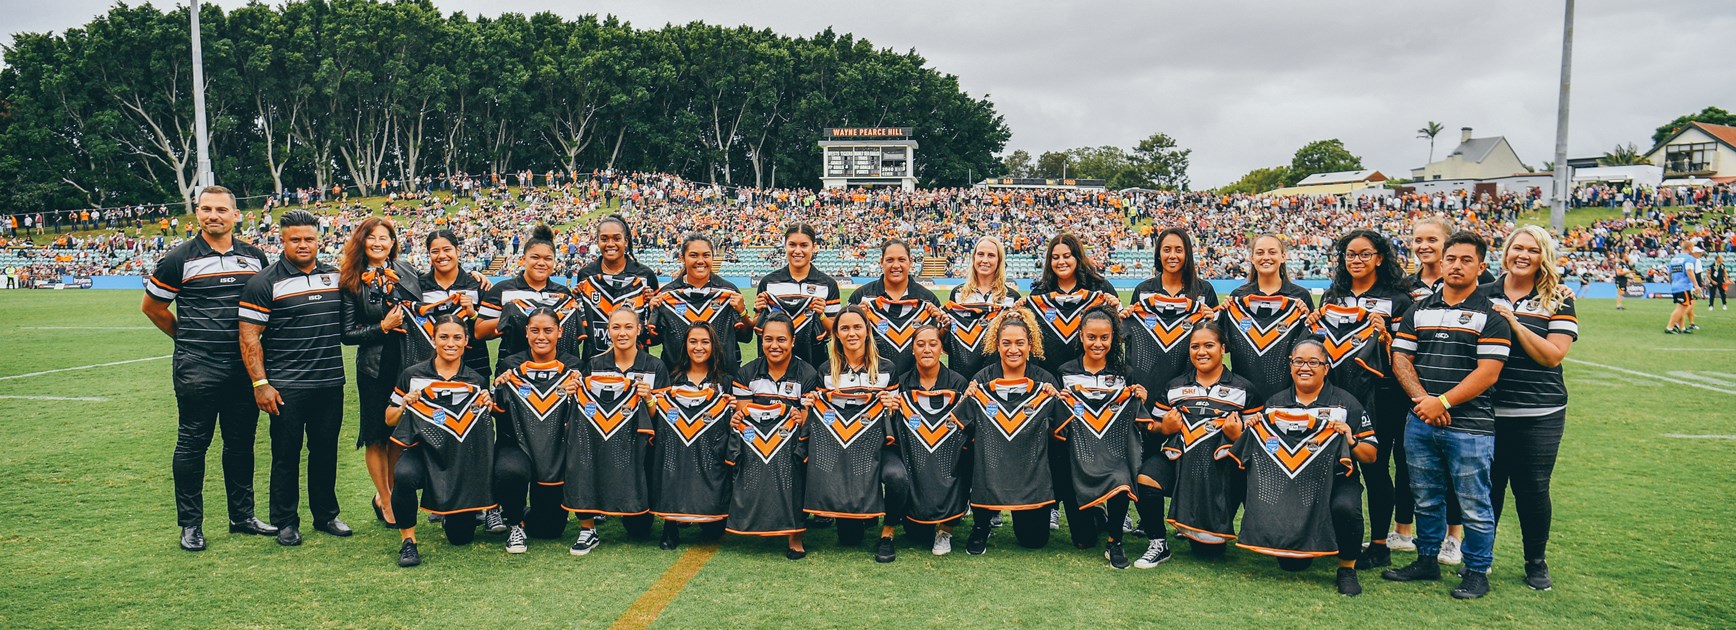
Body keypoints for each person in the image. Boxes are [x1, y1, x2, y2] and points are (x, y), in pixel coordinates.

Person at [140, 185, 275, 551]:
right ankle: (190, 525)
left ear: (236, 215)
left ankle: (242, 516)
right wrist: (187, 340)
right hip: (197, 367)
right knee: (192, 443)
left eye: (220, 209)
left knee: (241, 443)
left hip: (244, 368)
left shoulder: (255, 257)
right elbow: (153, 308)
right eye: (205, 209)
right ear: (196, 214)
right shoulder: (178, 258)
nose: (213, 215)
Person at [1383, 231, 1512, 600]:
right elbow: (1401, 358)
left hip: (1470, 426)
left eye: (1466, 260)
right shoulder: (1418, 309)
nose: (1457, 266)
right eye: (1451, 259)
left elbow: (1487, 373)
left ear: (1481, 266)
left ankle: (1475, 570)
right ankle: (1426, 559)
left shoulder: (1492, 314)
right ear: (1441, 263)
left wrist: (1444, 403)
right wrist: (1425, 400)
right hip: (1421, 419)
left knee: (1473, 501)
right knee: (1425, 496)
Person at [238, 210, 350, 546]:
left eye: (309, 239)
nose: (303, 245)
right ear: (281, 240)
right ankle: (285, 521)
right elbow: (249, 336)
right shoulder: (263, 282)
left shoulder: (335, 277)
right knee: (286, 455)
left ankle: (326, 514)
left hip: (330, 382)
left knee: (325, 451)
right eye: (295, 239)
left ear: (319, 240)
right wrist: (261, 384)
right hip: (287, 386)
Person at [1482, 225, 1579, 591]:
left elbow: (1552, 356)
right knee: (1487, 488)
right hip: (1487, 409)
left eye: (1532, 250)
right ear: (1505, 252)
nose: (1523, 255)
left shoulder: (1558, 298)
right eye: (1516, 248)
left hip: (1539, 411)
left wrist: (1513, 323)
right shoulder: (1483, 293)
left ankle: (1535, 562)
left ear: (1544, 257)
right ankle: (1481, 558)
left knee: (1533, 488)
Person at [1249, 339, 1379, 596]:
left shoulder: (1345, 403)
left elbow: (1371, 455)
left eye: (1313, 362)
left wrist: (1350, 440)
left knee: (1346, 508)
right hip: (1291, 483)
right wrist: (1253, 426)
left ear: (1326, 368)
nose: (1304, 367)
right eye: (1298, 361)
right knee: (1291, 565)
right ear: (1290, 366)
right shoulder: (1276, 403)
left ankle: (1346, 568)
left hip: (1338, 479)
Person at [1316, 228, 1414, 569]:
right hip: (1335, 392)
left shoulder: (1398, 299)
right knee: (1333, 463)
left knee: (1374, 466)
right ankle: (1332, 533)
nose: (1356, 260)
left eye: (1364, 254)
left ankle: (1379, 543)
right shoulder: (1333, 295)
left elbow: (1406, 352)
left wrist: (1386, 336)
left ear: (1380, 258)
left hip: (1381, 394)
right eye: (1350, 255)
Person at [1144, 322, 1264, 568]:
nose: (1201, 352)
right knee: (1147, 478)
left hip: (1221, 471)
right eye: (1195, 346)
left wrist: (1237, 435)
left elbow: (1260, 442)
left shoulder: (1244, 389)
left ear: (1223, 348)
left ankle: (1234, 527)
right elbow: (1152, 426)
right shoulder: (1175, 386)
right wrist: (1164, 428)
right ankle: (1158, 542)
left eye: (1209, 345)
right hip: (1180, 461)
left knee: (1208, 552)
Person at [384, 316, 495, 567]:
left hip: (458, 458)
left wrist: (487, 405)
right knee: (404, 474)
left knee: (460, 538)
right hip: (422, 452)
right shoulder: (412, 375)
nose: (450, 343)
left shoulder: (475, 381)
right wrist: (404, 404)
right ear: (433, 340)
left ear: (467, 341)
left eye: (457, 337)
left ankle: (450, 512)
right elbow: (389, 419)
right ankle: (408, 542)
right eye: (443, 337)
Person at [338, 217, 421, 529]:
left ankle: (392, 494)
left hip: (407, 363)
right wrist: (382, 327)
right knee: (375, 436)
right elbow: (347, 333)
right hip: (374, 366)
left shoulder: (407, 271)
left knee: (398, 435)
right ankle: (385, 499)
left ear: (392, 242)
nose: (378, 242)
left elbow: (430, 296)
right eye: (371, 237)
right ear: (362, 241)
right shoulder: (351, 280)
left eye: (384, 237)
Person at [566, 307, 667, 555]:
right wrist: (571, 394)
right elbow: (581, 414)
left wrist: (649, 400)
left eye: (628, 327)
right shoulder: (594, 364)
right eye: (616, 327)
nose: (622, 333)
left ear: (639, 330)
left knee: (639, 529)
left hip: (638, 447)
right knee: (581, 453)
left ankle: (622, 502)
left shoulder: (655, 366)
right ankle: (587, 528)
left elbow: (662, 420)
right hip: (599, 443)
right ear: (608, 331)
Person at [961, 309, 1063, 554]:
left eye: (1020, 343)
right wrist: (967, 397)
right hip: (992, 462)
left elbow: (1061, 428)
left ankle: (1036, 509)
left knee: (1034, 540)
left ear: (1031, 345)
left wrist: (1057, 399)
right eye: (1006, 343)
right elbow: (966, 426)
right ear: (997, 345)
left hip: (1030, 468)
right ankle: (981, 524)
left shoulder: (1044, 380)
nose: (1013, 349)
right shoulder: (983, 379)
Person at [1053, 308, 1148, 568]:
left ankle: (1115, 541)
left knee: (1120, 477)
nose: (1098, 343)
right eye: (1091, 337)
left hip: (1113, 452)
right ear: (1081, 337)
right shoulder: (1065, 371)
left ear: (1113, 339)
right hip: (1078, 454)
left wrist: (1140, 397)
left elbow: (1134, 414)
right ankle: (1098, 514)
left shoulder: (1124, 373)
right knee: (1082, 540)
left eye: (1104, 338)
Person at [491, 309, 586, 552]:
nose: (541, 336)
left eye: (548, 330)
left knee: (549, 530)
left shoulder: (574, 366)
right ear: (526, 333)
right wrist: (498, 389)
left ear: (560, 332)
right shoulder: (510, 365)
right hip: (516, 443)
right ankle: (514, 522)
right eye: (534, 331)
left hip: (554, 448)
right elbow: (497, 409)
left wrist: (579, 390)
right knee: (509, 471)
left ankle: (523, 514)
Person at [1403, 217, 1470, 558]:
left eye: (1432, 239)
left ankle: (1453, 537)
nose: (1424, 246)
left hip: (1458, 392)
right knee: (1413, 467)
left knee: (1454, 468)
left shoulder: (1476, 283)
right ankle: (1408, 533)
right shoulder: (1406, 284)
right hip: (1413, 389)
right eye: (1418, 240)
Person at [811, 305, 899, 556]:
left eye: (857, 327)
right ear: (836, 334)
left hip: (879, 447)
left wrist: (892, 406)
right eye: (845, 328)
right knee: (849, 539)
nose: (852, 333)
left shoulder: (886, 368)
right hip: (842, 449)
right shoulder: (826, 371)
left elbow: (892, 417)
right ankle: (862, 509)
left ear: (868, 330)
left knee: (897, 478)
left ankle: (888, 531)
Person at [649, 323, 737, 549]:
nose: (699, 347)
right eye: (693, 342)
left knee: (714, 532)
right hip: (679, 448)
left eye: (705, 342)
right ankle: (671, 525)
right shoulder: (673, 379)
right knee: (671, 459)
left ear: (714, 346)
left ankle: (708, 510)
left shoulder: (725, 381)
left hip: (711, 451)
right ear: (685, 345)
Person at [890, 325, 972, 556]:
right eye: (920, 344)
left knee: (965, 458)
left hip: (949, 458)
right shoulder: (902, 384)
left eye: (933, 344)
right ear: (912, 350)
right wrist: (892, 409)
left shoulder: (958, 383)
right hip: (916, 458)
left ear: (942, 349)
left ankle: (946, 529)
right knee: (916, 534)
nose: (927, 349)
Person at [477, 225, 575, 367]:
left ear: (554, 261)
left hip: (554, 372)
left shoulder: (563, 293)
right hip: (511, 370)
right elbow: (479, 332)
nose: (541, 263)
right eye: (535, 257)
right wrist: (510, 317)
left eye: (548, 259)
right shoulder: (502, 290)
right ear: (523, 259)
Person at [1022, 233, 1119, 377]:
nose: (1061, 262)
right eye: (1055, 258)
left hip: (1093, 379)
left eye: (1067, 256)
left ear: (1077, 257)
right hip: (1048, 377)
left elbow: (1117, 332)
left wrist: (1116, 308)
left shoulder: (1100, 287)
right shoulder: (1039, 293)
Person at [656, 233, 751, 375]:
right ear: (682, 258)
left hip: (722, 380)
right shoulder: (666, 294)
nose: (700, 260)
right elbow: (653, 339)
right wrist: (652, 309)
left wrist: (742, 312)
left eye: (706, 255)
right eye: (694, 255)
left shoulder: (729, 291)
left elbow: (746, 337)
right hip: (677, 380)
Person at [850, 238, 944, 374]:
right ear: (881, 261)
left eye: (901, 260)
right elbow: (845, 340)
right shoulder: (861, 296)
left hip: (915, 383)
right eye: (889, 260)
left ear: (910, 262)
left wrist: (941, 322)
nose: (895, 265)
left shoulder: (928, 300)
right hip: (873, 381)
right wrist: (856, 319)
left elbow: (940, 344)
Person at [571, 215, 659, 359]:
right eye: (604, 239)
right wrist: (576, 295)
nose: (610, 244)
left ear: (626, 241)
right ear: (597, 242)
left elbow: (656, 324)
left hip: (637, 362)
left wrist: (652, 302)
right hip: (594, 361)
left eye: (617, 239)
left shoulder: (645, 274)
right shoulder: (586, 274)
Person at [756, 224, 841, 367]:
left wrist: (821, 316)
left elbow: (834, 332)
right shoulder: (768, 283)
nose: (797, 251)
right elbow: (758, 328)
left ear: (814, 247)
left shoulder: (828, 284)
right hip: (773, 366)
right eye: (792, 245)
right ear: (785, 246)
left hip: (815, 363)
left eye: (804, 245)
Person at [944, 236, 1020, 381]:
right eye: (980, 254)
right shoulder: (958, 294)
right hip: (961, 375)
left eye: (991, 255)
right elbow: (948, 342)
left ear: (999, 261)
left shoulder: (1011, 298)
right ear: (973, 258)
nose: (985, 260)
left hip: (998, 377)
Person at [417, 230, 491, 377]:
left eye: (447, 249)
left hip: (475, 365)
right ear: (428, 254)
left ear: (458, 250)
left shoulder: (478, 284)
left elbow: (490, 331)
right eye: (435, 251)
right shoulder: (419, 287)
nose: (442, 256)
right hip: (430, 366)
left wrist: (473, 315)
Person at [732, 312, 824, 405]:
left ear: (792, 341)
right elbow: (743, 417)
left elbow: (806, 418)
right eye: (768, 339)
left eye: (781, 340)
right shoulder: (746, 374)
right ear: (762, 340)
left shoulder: (808, 375)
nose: (774, 346)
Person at [1131, 227, 1220, 307]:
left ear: (1187, 254)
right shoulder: (1142, 291)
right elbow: (1132, 325)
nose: (1172, 255)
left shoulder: (1205, 290)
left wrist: (1211, 322)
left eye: (1178, 250)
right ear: (1159, 254)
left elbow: (1216, 324)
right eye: (1167, 250)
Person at [1228, 234, 1315, 308]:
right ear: (1252, 259)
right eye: (1260, 253)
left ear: (1283, 257)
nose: (1266, 257)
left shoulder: (1301, 296)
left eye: (1272, 252)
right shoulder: (1238, 296)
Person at [1666, 241, 1701, 334]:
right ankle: (1670, 327)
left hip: (1675, 285)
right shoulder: (1689, 258)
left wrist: (1671, 283)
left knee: (1682, 307)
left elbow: (1669, 273)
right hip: (1684, 286)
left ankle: (1682, 328)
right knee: (1681, 308)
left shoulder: (1674, 259)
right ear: (1689, 248)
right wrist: (1696, 285)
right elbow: (1689, 271)